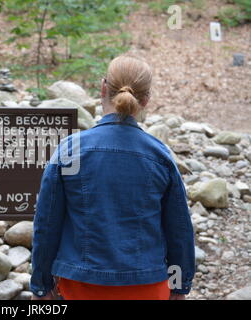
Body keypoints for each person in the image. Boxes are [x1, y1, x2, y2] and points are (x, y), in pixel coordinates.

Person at [30, 55, 195, 300]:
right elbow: (179, 230)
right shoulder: (160, 156)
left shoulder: (71, 151)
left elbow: (47, 223)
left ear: (103, 88)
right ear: (146, 100)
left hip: (81, 286)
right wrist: (180, 287)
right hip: (148, 287)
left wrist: (41, 286)